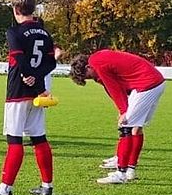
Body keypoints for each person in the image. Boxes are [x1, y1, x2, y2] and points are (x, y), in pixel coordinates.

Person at [0, 0, 57, 195]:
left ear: (15, 10)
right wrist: (37, 78)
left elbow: (19, 57)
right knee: (39, 138)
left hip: (18, 91)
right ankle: (47, 186)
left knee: (14, 140)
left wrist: (28, 75)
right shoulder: (44, 33)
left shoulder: (14, 32)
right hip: (37, 92)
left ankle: (4, 190)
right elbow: (52, 63)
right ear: (33, 10)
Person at [69, 50, 166, 184]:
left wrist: (124, 111)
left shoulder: (97, 64)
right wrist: (123, 110)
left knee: (126, 125)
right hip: (153, 82)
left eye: (87, 76)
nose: (90, 79)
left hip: (146, 85)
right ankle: (130, 170)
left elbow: (114, 87)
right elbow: (116, 86)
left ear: (87, 67)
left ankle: (120, 174)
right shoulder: (98, 59)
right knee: (136, 128)